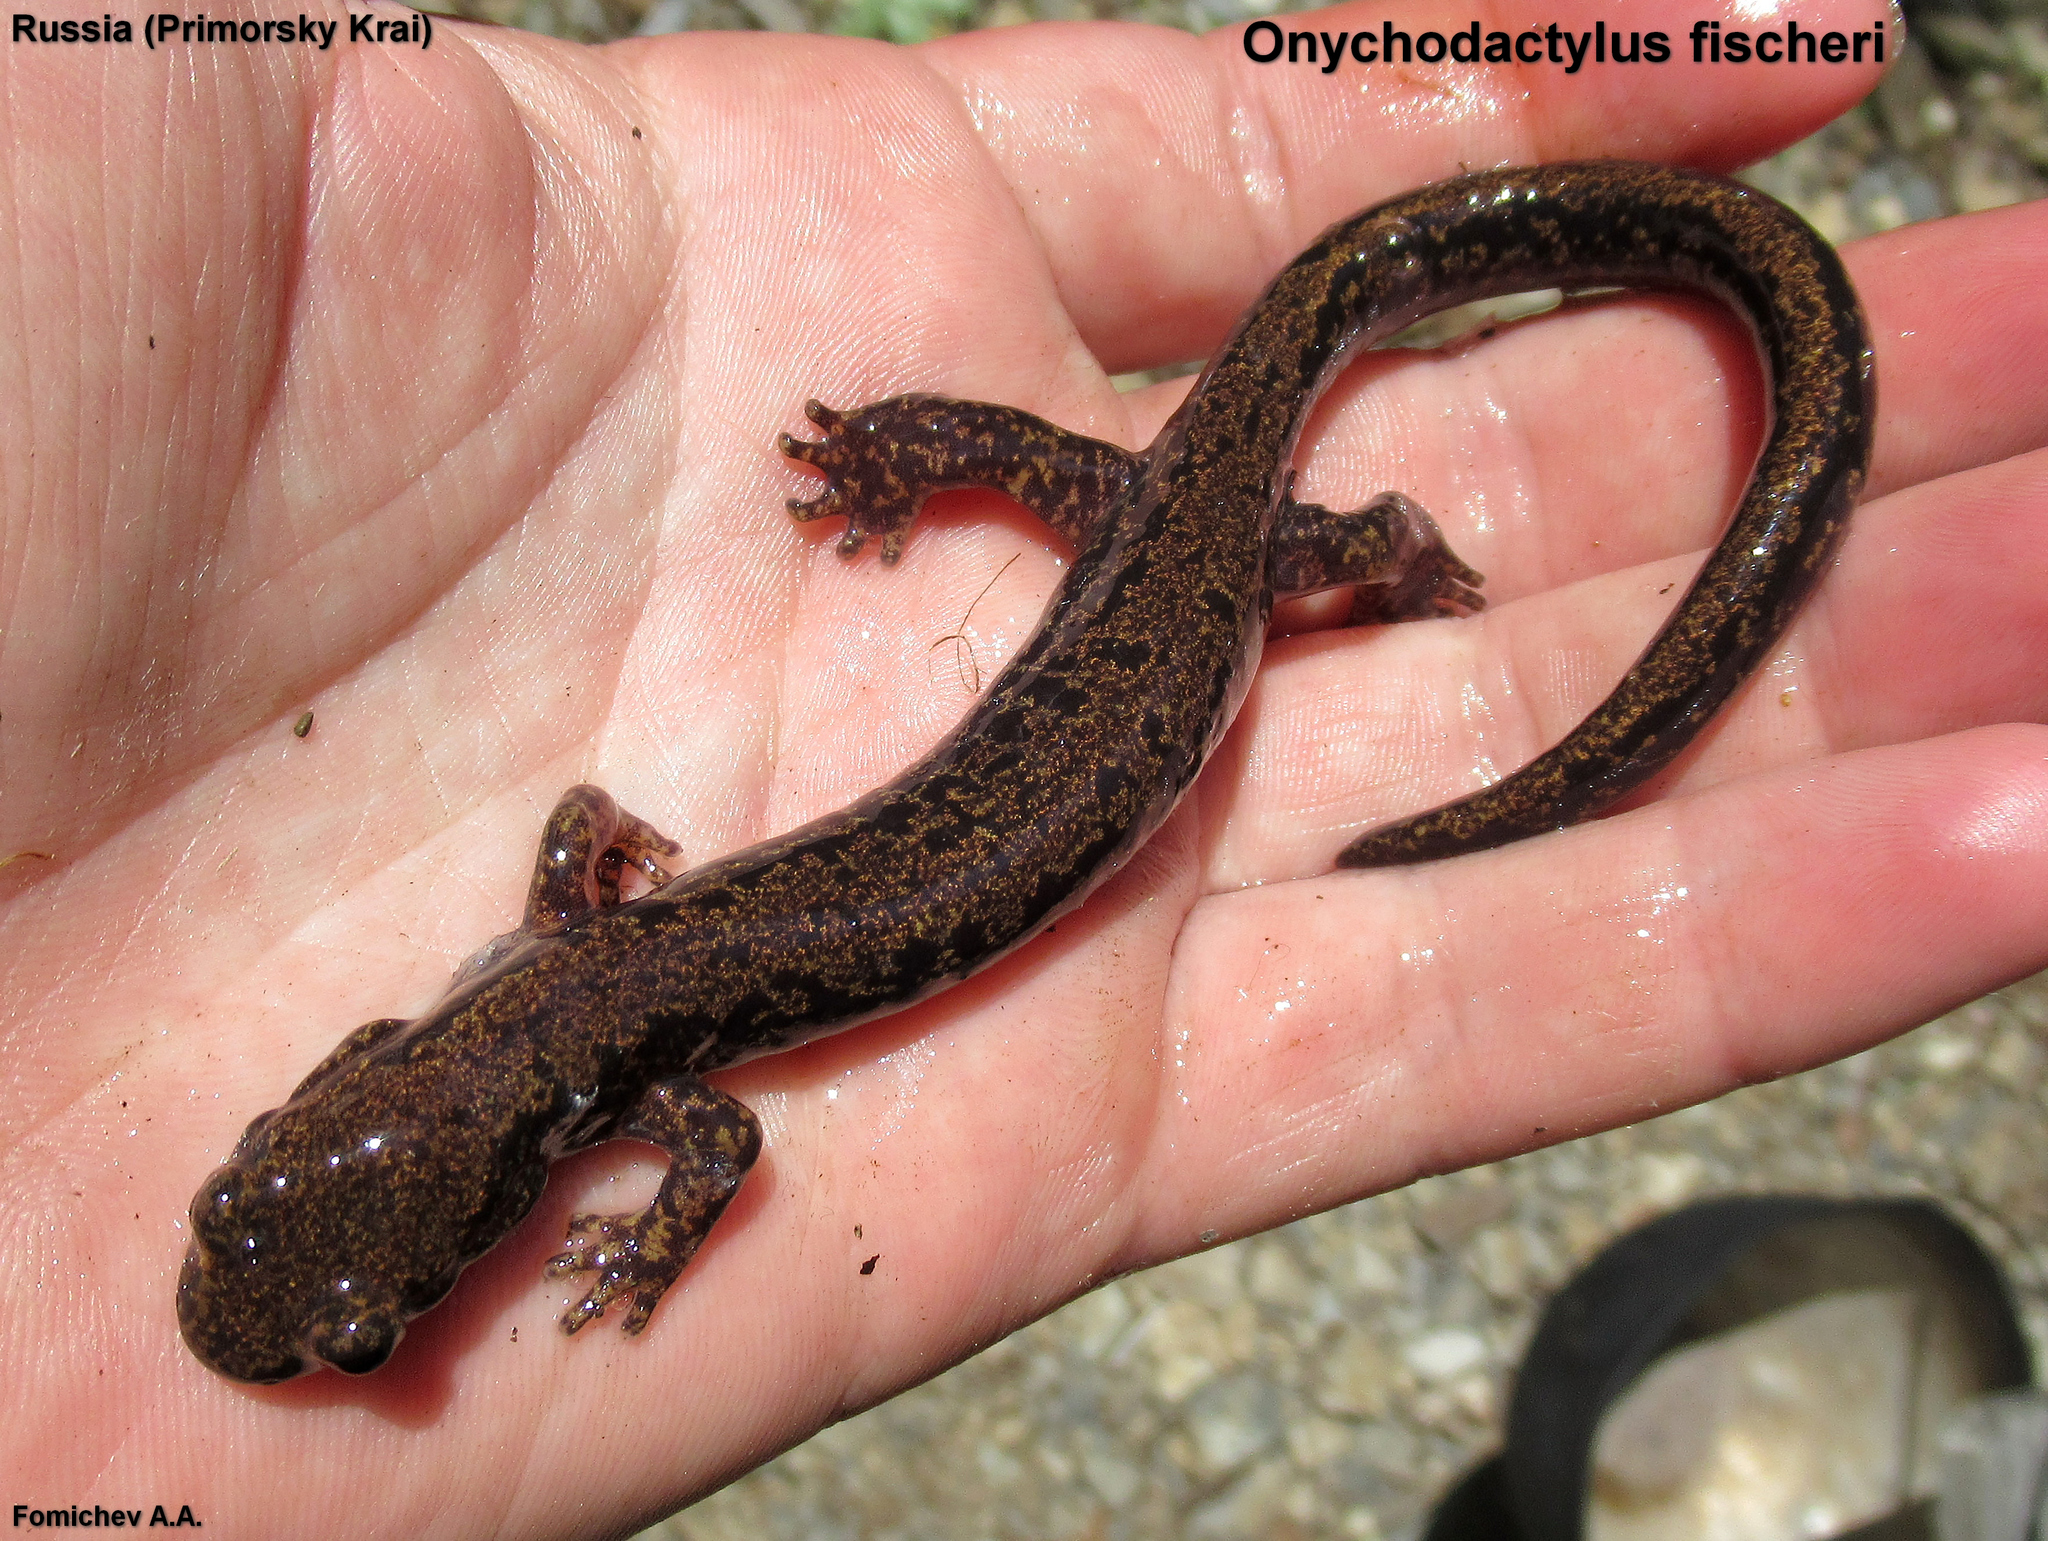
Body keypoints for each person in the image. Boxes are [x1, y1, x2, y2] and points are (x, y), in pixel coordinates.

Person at [2, 0, 2042, 1532]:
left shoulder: (634, 1078)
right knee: (1197, 520)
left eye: (367, 1323)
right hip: (1155, 598)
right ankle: (1381, 561)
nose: (361, 1345)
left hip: (1175, 604)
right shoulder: (563, 965)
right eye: (364, 1321)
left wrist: (640, 1239)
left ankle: (1388, 554)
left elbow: (720, 1148)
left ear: (407, 1086)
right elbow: (588, 859)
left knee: (1233, 538)